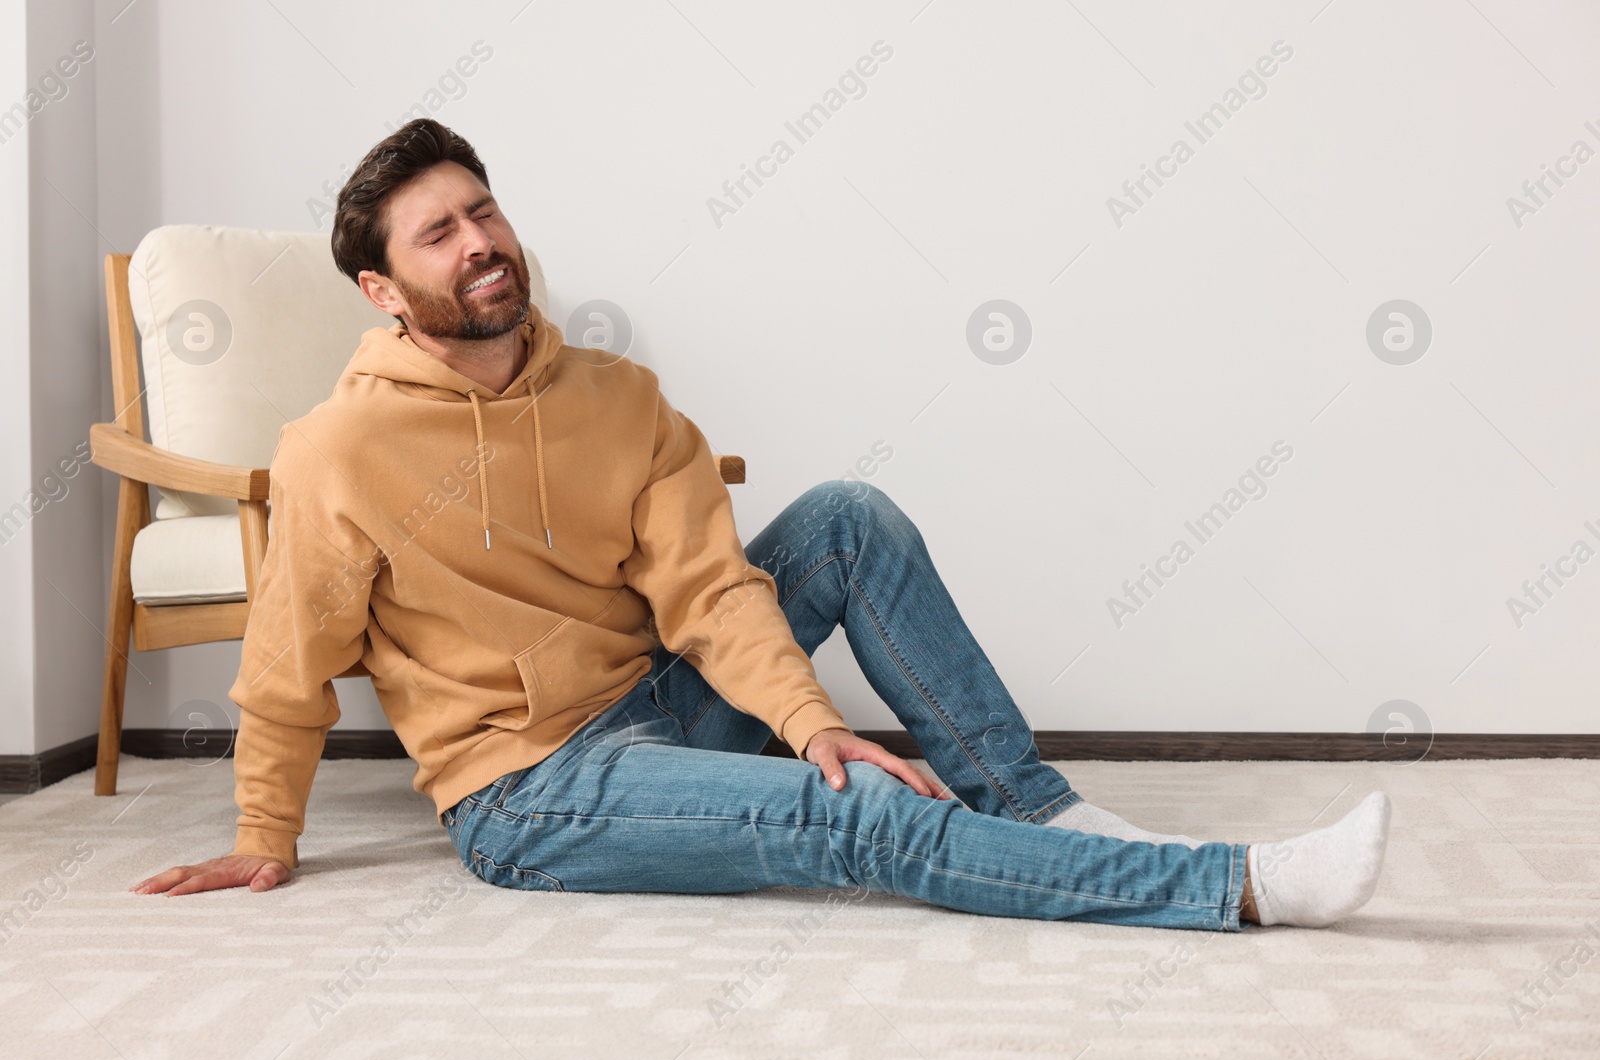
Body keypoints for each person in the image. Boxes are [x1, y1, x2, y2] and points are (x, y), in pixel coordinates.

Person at [129, 119, 1390, 930]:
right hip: (535, 785)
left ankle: (1037, 806)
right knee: (856, 814)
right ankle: (1231, 885)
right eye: (439, 232)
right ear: (382, 288)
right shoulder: (337, 449)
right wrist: (260, 834)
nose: (481, 243)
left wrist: (814, 722)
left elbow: (714, 591)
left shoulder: (615, 397)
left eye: (485, 210)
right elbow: (288, 662)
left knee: (845, 519)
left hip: (659, 697)